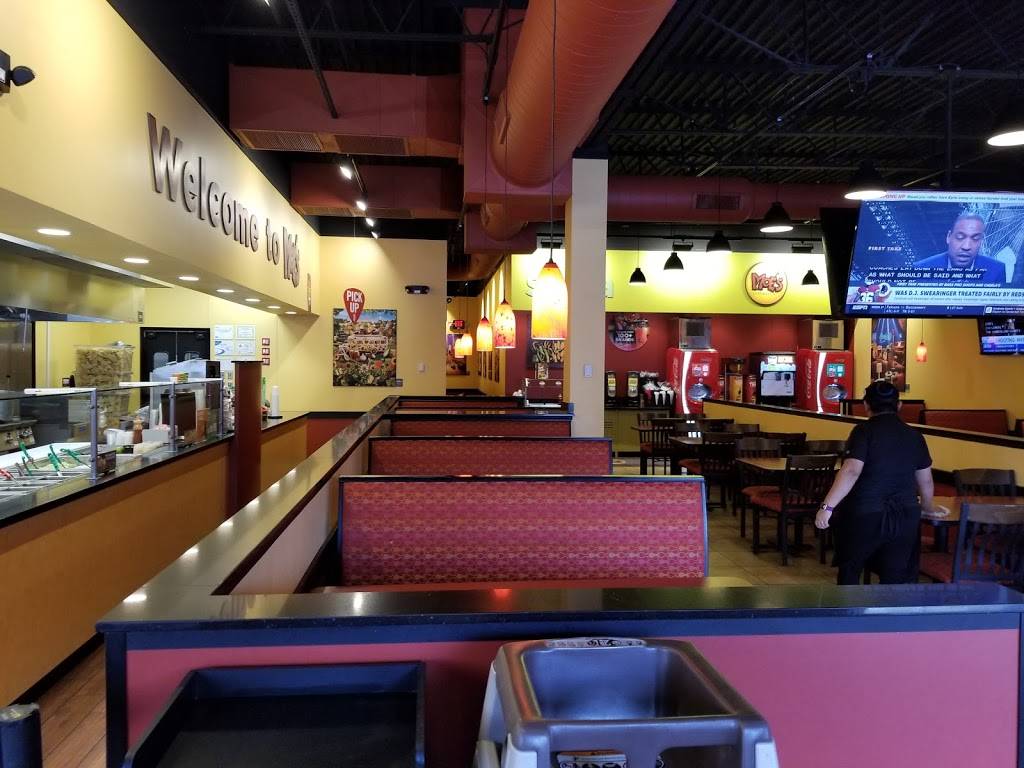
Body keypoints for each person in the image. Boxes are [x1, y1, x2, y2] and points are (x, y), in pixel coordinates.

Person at [814, 380, 935, 585]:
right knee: (894, 577)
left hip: (865, 513)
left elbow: (851, 471)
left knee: (851, 571)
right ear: (899, 405)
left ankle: (848, 607)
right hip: (904, 515)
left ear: (866, 404)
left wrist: (827, 507)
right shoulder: (915, 436)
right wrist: (927, 507)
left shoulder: (863, 431)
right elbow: (926, 481)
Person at [913, 213, 1006, 283]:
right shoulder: (921, 268)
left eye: (975, 239)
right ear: (949, 237)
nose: (966, 246)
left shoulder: (997, 270)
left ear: (981, 241)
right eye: (960, 237)